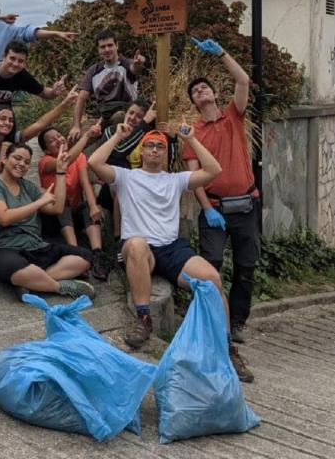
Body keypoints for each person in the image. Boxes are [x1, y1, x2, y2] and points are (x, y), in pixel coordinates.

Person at [89, 123, 254, 382]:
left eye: (160, 146)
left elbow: (214, 170)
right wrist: (119, 135)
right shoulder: (126, 177)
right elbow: (94, 162)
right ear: (142, 152)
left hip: (171, 247)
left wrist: (192, 140)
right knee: (136, 244)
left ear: (166, 154)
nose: (155, 150)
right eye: (149, 146)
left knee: (213, 280)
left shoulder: (175, 180)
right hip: (140, 248)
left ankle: (226, 346)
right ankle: (143, 319)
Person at [184, 37, 261, 346]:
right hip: (214, 208)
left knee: (245, 268)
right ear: (194, 102)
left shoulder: (233, 115)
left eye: (205, 88)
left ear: (215, 94)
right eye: (195, 91)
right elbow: (194, 176)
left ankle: (237, 322)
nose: (201, 91)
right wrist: (206, 208)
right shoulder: (193, 134)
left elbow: (243, 80)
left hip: (246, 206)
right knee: (211, 265)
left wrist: (221, 53)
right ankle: (211, 322)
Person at [0, 143, 94, 298]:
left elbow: (57, 208)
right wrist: (39, 203)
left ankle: (33, 283)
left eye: (27, 162)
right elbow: (4, 218)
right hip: (2, 247)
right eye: (17, 158)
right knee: (19, 269)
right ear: (5, 159)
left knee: (84, 257)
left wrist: (60, 172)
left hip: (35, 245)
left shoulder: (29, 187)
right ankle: (59, 286)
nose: (22, 164)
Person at [37, 121, 110, 279]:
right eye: (52, 141)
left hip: (74, 215)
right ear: (46, 150)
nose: (58, 140)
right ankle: (75, 253)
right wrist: (87, 136)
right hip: (53, 217)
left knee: (88, 206)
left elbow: (85, 182)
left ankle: (98, 254)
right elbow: (65, 161)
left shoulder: (80, 157)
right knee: (63, 203)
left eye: (59, 136)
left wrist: (93, 206)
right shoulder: (45, 162)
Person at [0, 91, 78, 177]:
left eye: (11, 120)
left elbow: (40, 124)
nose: (7, 123)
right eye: (3, 119)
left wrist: (65, 103)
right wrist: (5, 148)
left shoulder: (16, 138)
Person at [69, 30, 147, 143]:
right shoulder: (94, 71)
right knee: (74, 139)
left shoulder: (127, 64)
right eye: (102, 47)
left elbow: (135, 69)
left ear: (117, 45)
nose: (106, 49)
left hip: (124, 114)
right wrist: (76, 126)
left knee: (119, 116)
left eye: (110, 45)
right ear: (98, 49)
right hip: (101, 117)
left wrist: (138, 65)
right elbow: (81, 98)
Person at [0, 40, 69, 122]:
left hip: (4, 121)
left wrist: (54, 91)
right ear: (4, 57)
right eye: (12, 58)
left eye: (20, 61)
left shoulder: (22, 76)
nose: (15, 64)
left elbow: (43, 93)